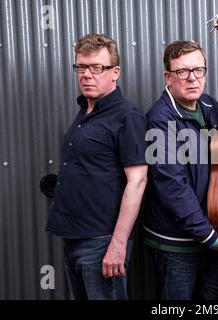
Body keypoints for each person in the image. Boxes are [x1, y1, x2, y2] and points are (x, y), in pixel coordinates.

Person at [143, 40, 218, 300]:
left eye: (199, 70)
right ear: (168, 77)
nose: (193, 78)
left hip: (212, 230)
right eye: (183, 72)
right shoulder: (160, 120)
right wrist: (208, 236)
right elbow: (172, 187)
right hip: (177, 244)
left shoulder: (207, 106)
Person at [45, 34, 148, 300]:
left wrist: (118, 244)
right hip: (74, 238)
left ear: (115, 72)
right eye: (81, 67)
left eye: (96, 68)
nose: (87, 75)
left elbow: (137, 181)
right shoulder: (86, 111)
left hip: (101, 242)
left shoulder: (127, 116)